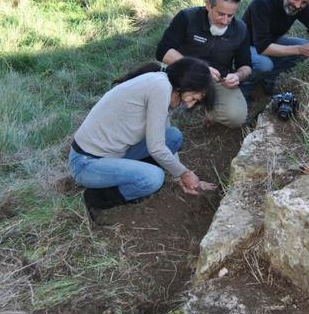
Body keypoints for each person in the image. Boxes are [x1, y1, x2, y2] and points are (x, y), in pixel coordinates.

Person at [69, 57, 218, 219]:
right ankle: (94, 197)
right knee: (153, 179)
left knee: (173, 136)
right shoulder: (160, 89)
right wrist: (185, 173)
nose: (190, 105)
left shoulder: (162, 83)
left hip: (113, 153)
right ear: (185, 84)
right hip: (86, 163)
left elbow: (162, 138)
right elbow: (156, 148)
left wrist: (179, 175)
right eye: (194, 98)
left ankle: (129, 173)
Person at [155, 0, 252, 128]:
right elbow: (163, 51)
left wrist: (238, 76)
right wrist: (199, 67)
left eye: (230, 15)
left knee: (237, 118)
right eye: (220, 14)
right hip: (185, 73)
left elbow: (246, 66)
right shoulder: (187, 17)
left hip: (218, 80)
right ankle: (188, 100)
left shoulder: (241, 29)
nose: (225, 21)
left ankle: (206, 106)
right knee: (158, 104)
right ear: (208, 5)